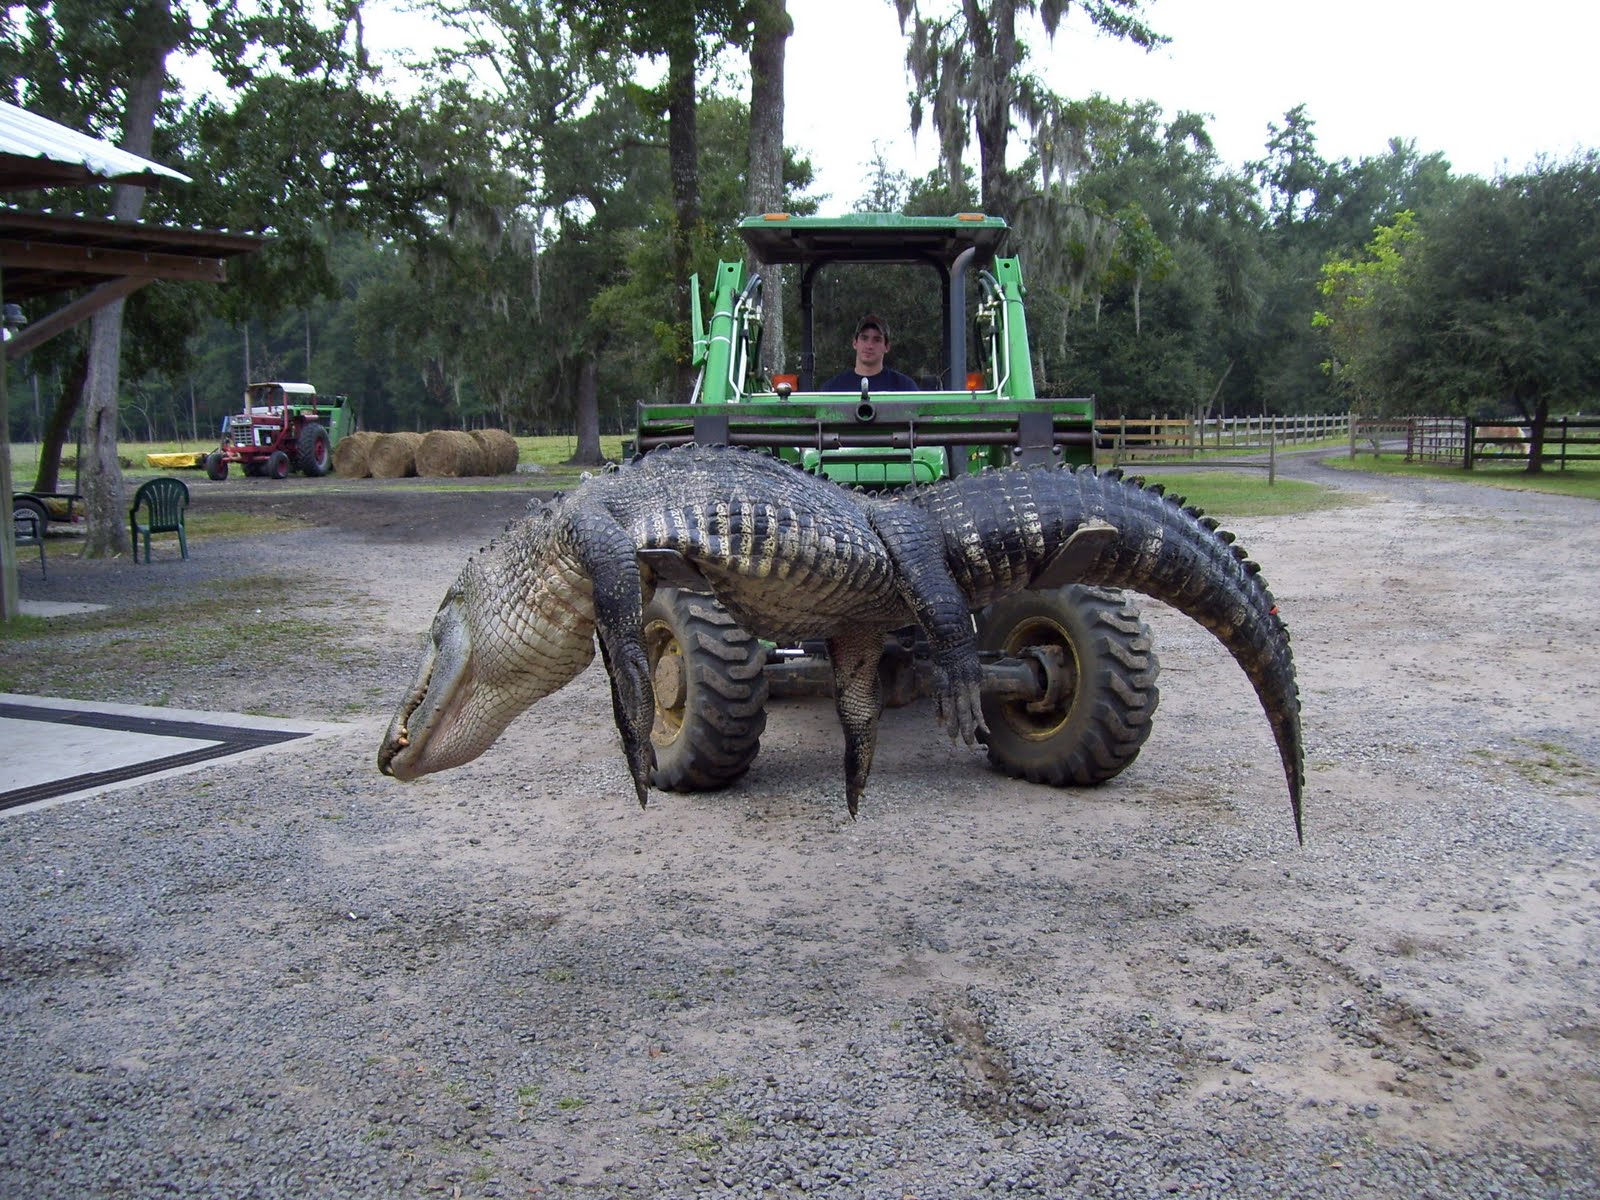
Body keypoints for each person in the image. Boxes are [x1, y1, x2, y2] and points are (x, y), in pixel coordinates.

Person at [821, 315, 919, 391]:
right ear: (855, 343)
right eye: (864, 338)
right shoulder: (833, 388)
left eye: (877, 340)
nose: (869, 346)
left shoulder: (904, 387)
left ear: (887, 347)